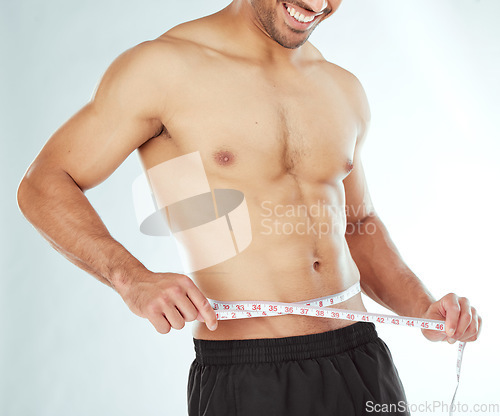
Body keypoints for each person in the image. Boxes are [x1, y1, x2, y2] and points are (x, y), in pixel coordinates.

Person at [17, 0, 482, 415]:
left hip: (360, 358)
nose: (320, 4)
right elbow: (44, 182)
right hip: (247, 373)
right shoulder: (163, 68)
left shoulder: (342, 87)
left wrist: (424, 307)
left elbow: (359, 224)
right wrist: (130, 277)